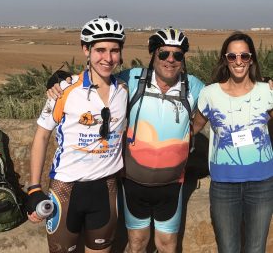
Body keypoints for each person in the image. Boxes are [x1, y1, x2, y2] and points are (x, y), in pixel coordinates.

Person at [48, 27, 205, 253]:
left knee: (168, 245)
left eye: (177, 55)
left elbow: (221, 98)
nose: (170, 60)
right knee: (137, 243)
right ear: (153, 54)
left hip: (172, 186)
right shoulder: (132, 79)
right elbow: (98, 75)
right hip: (133, 184)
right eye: (163, 54)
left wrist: (266, 85)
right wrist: (58, 81)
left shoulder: (193, 86)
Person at [26, 16, 128, 253]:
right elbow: (41, 136)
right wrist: (33, 188)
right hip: (66, 189)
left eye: (114, 50)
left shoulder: (124, 89)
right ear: (86, 50)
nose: (108, 58)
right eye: (100, 50)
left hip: (108, 187)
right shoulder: (63, 90)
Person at [193, 31, 273, 253]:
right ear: (225, 59)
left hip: (262, 183)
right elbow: (193, 128)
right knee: (228, 248)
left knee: (256, 248)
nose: (239, 62)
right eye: (232, 57)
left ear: (252, 59)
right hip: (223, 185)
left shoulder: (267, 91)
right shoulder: (210, 94)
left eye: (244, 56)